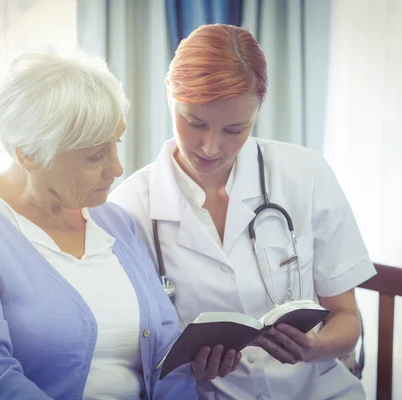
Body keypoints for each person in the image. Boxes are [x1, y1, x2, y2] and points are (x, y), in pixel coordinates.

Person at [0, 49, 241, 400]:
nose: (116, 168)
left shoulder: (115, 222)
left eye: (115, 145)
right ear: (29, 154)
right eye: (94, 156)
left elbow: (166, 358)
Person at [109, 24, 376, 400]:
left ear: (258, 109)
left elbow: (346, 318)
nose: (210, 147)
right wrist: (189, 366)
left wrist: (314, 347)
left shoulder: (306, 174)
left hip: (318, 391)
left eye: (235, 129)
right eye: (195, 123)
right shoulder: (130, 206)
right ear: (170, 95)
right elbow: (137, 351)